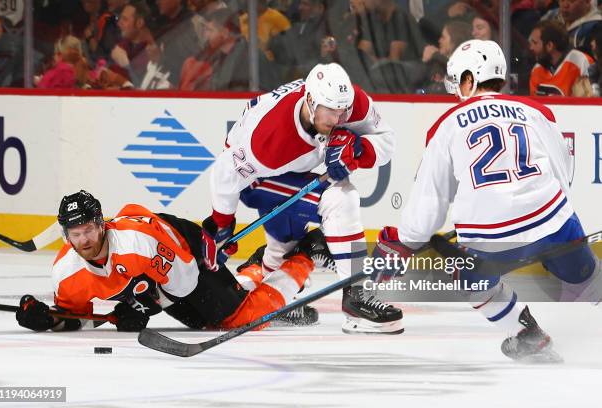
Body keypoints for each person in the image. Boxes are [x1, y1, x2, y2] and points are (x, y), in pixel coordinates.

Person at [376, 39, 601, 362]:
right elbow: (562, 171)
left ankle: (527, 334)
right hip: (554, 223)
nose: (457, 92)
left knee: (467, 276)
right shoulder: (536, 111)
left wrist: (407, 241)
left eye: (459, 83)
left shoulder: (446, 125)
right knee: (587, 276)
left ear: (469, 79)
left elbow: (430, 202)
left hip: (491, 238)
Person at [202, 62, 403, 335]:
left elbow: (387, 140)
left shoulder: (350, 101)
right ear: (310, 101)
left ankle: (276, 288)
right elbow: (225, 171)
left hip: (291, 170)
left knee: (287, 240)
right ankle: (356, 297)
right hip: (257, 179)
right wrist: (222, 224)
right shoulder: (270, 139)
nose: (340, 118)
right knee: (340, 198)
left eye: (343, 110)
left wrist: (358, 148)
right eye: (331, 111)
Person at [15, 190, 326, 332]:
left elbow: (185, 280)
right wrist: (48, 320)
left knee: (238, 319)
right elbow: (78, 316)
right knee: (202, 322)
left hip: (181, 249)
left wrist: (145, 306)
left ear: (102, 224)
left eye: (88, 230)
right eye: (75, 233)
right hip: (154, 275)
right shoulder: (65, 271)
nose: (83, 240)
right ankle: (256, 269)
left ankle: (307, 253)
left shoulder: (136, 244)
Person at [528, 20, 594, 96]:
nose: (531, 47)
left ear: (549, 45)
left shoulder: (581, 61)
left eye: (535, 43)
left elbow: (592, 99)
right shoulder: (537, 69)